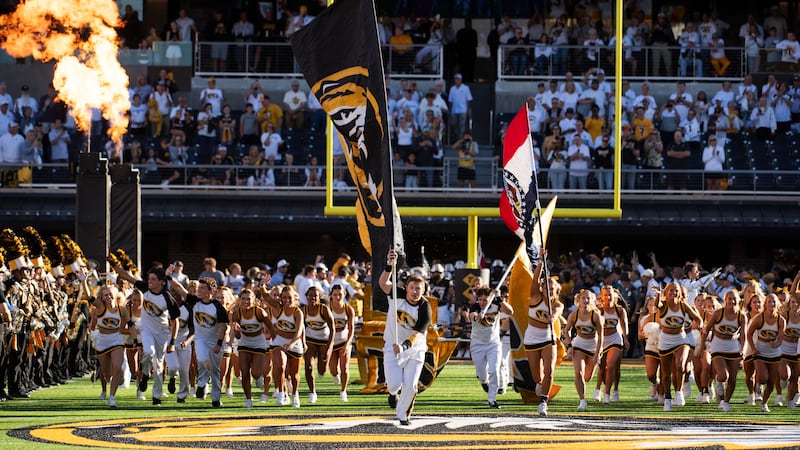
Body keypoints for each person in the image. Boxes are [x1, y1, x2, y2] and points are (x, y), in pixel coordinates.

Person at [112, 264, 180, 406]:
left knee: (159, 364)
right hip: (146, 330)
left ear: (161, 281)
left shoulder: (167, 297)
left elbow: (175, 322)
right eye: (149, 279)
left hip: (162, 333)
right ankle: (145, 374)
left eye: (153, 279)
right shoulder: (145, 289)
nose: (150, 281)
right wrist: (113, 263)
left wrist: (172, 342)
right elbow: (126, 276)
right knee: (148, 352)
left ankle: (156, 396)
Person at [379, 248, 431, 426]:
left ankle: (403, 416)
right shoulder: (396, 294)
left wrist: (405, 347)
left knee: (411, 384)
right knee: (394, 384)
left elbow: (418, 333)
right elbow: (383, 283)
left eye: (419, 288)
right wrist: (388, 265)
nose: (415, 291)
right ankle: (393, 393)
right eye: (412, 288)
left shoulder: (425, 307)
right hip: (391, 346)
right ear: (406, 288)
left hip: (414, 349)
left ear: (423, 290)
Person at [524, 250, 564, 416]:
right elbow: (534, 278)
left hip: (548, 338)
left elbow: (556, 314)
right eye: (545, 285)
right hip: (532, 338)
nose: (548, 288)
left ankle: (543, 401)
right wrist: (541, 261)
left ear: (556, 290)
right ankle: (540, 385)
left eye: (552, 286)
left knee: (549, 370)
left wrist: (552, 316)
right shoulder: (534, 296)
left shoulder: (557, 304)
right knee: (536, 376)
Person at [657, 281, 703, 411]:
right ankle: (667, 397)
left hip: (681, 339)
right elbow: (657, 305)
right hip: (665, 340)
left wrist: (700, 324)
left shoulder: (683, 305)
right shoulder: (663, 305)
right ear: (666, 292)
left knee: (680, 365)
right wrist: (659, 295)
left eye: (676, 290)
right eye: (671, 290)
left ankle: (679, 391)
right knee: (665, 373)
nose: (674, 293)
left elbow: (697, 317)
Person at [469, 286, 514, 408]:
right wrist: (476, 316)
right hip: (477, 345)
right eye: (480, 299)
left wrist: (499, 298)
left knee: (494, 370)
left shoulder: (496, 305)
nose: (483, 302)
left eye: (485, 299)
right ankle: (484, 382)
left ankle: (492, 400)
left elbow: (510, 311)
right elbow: (471, 315)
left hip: (493, 344)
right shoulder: (475, 307)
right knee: (483, 375)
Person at [702, 289, 745, 412]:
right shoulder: (718, 313)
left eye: (734, 299)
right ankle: (718, 382)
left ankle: (725, 402)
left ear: (738, 301)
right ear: (725, 300)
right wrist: (701, 347)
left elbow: (743, 335)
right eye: (729, 298)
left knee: (732, 377)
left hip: (733, 346)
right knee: (723, 375)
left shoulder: (741, 316)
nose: (731, 301)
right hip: (718, 345)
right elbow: (706, 330)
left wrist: (743, 349)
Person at [228, 288, 269, 408]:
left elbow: (270, 328)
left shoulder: (260, 312)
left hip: (258, 343)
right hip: (244, 343)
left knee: (256, 373)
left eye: (248, 299)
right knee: (244, 372)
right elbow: (237, 335)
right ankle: (248, 399)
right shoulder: (236, 313)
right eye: (243, 299)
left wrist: (273, 339)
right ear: (240, 300)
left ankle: (258, 377)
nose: (246, 301)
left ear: (254, 300)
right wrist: (237, 331)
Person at [564, 289, 603, 410]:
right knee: (578, 372)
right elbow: (566, 330)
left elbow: (601, 335)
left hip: (592, 346)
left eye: (588, 298)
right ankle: (582, 400)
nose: (585, 300)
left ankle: (594, 390)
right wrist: (569, 345)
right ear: (578, 300)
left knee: (587, 377)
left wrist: (597, 354)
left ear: (592, 301)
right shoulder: (574, 314)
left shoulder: (595, 315)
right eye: (583, 298)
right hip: (579, 345)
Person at [268, 286, 305, 407]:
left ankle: (295, 394)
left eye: (289, 297)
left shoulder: (297, 311)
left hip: (294, 342)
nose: (286, 300)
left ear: (294, 298)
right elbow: (265, 297)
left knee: (294, 375)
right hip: (279, 341)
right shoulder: (278, 308)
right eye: (284, 297)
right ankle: (281, 392)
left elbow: (299, 330)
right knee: (280, 367)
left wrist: (293, 343)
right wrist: (262, 285)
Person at [747, 293, 785, 412]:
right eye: (769, 301)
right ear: (765, 303)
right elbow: (749, 333)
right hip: (760, 351)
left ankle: (764, 403)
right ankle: (758, 385)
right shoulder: (759, 318)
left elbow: (780, 337)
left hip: (774, 353)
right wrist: (753, 348)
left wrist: (777, 343)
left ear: (777, 304)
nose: (772, 304)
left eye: (774, 302)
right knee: (763, 377)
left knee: (771, 381)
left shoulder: (781, 320)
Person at [90, 285, 125, 408]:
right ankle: (105, 388)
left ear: (115, 295)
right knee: (107, 374)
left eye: (110, 294)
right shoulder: (100, 308)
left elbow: (125, 327)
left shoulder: (122, 310)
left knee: (116, 367)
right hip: (102, 341)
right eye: (105, 295)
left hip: (116, 341)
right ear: (102, 298)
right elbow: (90, 298)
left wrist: (136, 337)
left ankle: (112, 398)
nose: (108, 297)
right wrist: (84, 282)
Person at [163, 277, 194, 404]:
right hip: (168, 341)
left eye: (177, 292)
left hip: (184, 341)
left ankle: (181, 395)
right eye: (172, 293)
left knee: (184, 370)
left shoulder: (188, 309)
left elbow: (193, 329)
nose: (175, 295)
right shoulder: (164, 307)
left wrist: (187, 341)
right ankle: (172, 377)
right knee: (173, 366)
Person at [303, 286, 333, 403]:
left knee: (322, 370)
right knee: (308, 366)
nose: (312, 298)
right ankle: (312, 392)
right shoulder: (303, 310)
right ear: (306, 296)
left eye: (315, 296)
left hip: (324, 339)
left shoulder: (324, 309)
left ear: (319, 297)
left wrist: (329, 346)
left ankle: (323, 367)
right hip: (310, 338)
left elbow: (333, 329)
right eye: (310, 295)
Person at [328, 283, 355, 402]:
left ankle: (343, 391)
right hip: (331, 342)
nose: (338, 297)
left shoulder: (348, 309)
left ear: (344, 295)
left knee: (344, 367)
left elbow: (351, 329)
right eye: (335, 295)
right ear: (331, 296)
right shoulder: (327, 308)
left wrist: (347, 344)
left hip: (344, 340)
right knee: (333, 368)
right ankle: (335, 375)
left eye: (340, 294)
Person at [448, 74, 472, 143]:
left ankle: (460, 140)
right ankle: (457, 136)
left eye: (458, 79)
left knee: (462, 125)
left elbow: (469, 99)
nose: (456, 80)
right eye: (455, 79)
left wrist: (467, 109)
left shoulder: (466, 88)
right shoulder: (452, 89)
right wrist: (450, 110)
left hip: (463, 110)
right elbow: (450, 101)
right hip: (454, 110)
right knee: (453, 124)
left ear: (461, 80)